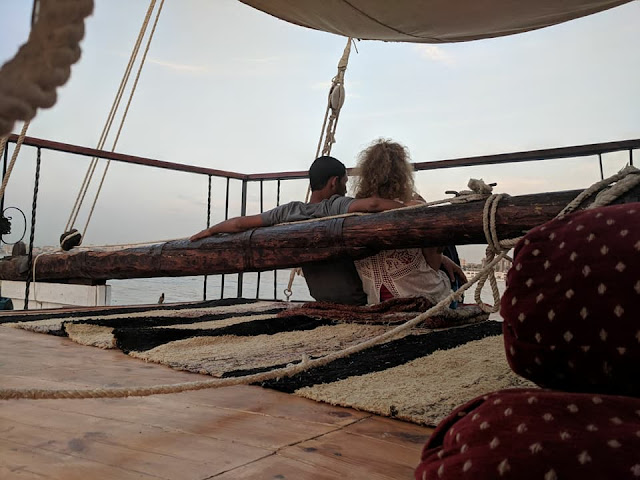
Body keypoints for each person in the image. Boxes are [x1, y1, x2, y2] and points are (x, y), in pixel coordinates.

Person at [190, 155, 404, 305]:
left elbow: (239, 224)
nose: (346, 188)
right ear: (334, 182)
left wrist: (210, 230)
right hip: (355, 300)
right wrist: (408, 206)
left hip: (321, 298)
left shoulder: (289, 211)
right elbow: (373, 204)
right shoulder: (334, 205)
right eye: (344, 183)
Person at [352, 139, 467, 305]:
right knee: (445, 241)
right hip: (421, 295)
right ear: (402, 174)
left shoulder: (355, 211)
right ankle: (460, 298)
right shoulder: (415, 208)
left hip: (377, 298)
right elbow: (433, 265)